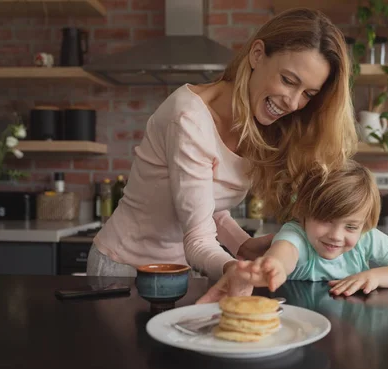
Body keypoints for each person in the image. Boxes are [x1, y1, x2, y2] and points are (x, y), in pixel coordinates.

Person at [87, 8, 358, 301]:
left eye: (308, 94)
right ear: (257, 55)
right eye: (289, 80)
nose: (293, 102)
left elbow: (207, 204)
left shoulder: (261, 123)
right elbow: (198, 238)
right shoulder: (189, 118)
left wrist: (242, 245)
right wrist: (234, 268)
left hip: (180, 271)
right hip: (125, 268)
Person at [233, 161, 388, 297]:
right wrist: (274, 266)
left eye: (351, 226)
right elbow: (284, 254)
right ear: (303, 213)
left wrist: (375, 276)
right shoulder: (296, 234)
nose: (336, 236)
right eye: (325, 220)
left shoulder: (366, 238)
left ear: (364, 225)